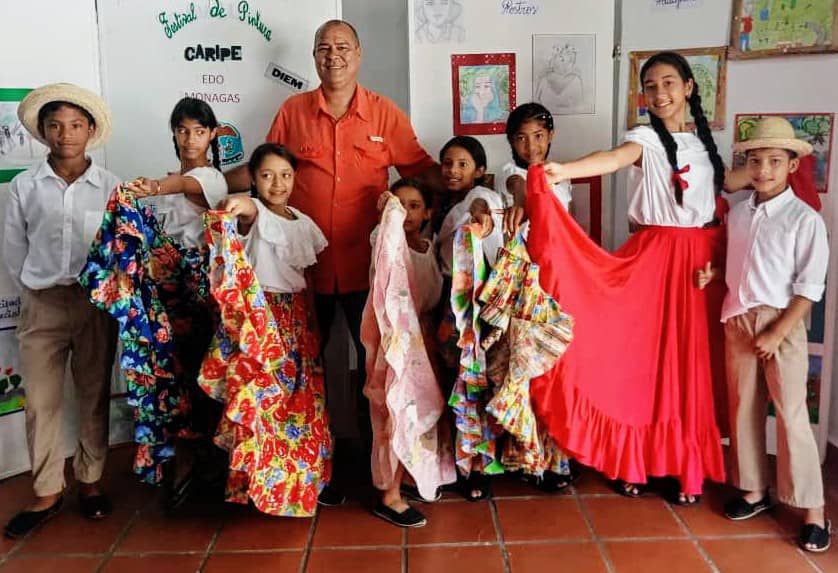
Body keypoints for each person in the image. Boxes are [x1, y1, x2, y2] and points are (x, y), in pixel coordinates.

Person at [507, 51, 737, 504]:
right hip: (655, 260)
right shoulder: (646, 138)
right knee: (642, 364)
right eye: (651, 86)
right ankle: (635, 461)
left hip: (699, 267)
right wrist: (563, 169)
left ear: (689, 88)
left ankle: (680, 466)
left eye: (669, 83)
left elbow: (729, 186)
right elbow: (612, 159)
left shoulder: (707, 147)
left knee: (687, 367)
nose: (660, 93)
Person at [224, 19, 437, 505]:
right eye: (324, 48)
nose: (333, 55)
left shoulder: (383, 113)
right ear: (314, 58)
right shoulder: (293, 111)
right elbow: (263, 170)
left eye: (343, 47)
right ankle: (309, 474)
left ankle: (383, 479)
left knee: (377, 375)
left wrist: (472, 201)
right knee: (303, 376)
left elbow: (422, 172)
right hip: (302, 275)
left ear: (359, 55)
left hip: (369, 272)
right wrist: (203, 183)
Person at [697, 117, 830, 553]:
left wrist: (777, 331)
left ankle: (813, 510)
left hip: (782, 324)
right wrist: (713, 273)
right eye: (755, 161)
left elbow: (809, 288)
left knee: (791, 414)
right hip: (738, 317)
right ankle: (754, 490)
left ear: (792, 165)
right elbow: (743, 262)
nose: (763, 170)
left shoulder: (804, 219)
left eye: (775, 161)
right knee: (743, 409)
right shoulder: (739, 214)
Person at [3, 83, 120, 538]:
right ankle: (47, 490)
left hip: (94, 304)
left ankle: (90, 483)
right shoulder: (24, 186)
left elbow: (117, 248)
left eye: (75, 125)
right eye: (55, 125)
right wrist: (38, 290)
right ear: (43, 132)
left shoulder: (110, 186)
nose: (65, 134)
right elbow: (14, 251)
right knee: (42, 401)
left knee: (93, 395)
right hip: (42, 305)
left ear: (90, 130)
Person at [204, 143, 332, 517]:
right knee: (266, 402)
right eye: (267, 175)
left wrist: (313, 328)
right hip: (262, 322)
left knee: (303, 405)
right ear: (254, 180)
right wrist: (236, 205)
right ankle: (258, 485)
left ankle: (304, 484)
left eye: (285, 175)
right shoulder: (254, 211)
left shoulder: (303, 221)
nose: (277, 183)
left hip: (297, 320)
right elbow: (241, 208)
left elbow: (308, 277)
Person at [124, 97, 228, 506]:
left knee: (205, 374)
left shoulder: (211, 179)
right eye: (182, 130)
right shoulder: (172, 180)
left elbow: (182, 185)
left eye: (198, 131)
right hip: (167, 296)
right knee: (174, 374)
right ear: (173, 133)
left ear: (212, 134)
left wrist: (151, 187)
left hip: (202, 295)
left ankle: (210, 464)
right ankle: (184, 461)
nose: (190, 139)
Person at [363, 178, 452, 528]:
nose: (406, 211)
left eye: (414, 205)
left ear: (428, 212)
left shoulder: (431, 247)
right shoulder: (384, 240)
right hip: (397, 344)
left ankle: (413, 475)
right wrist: (389, 217)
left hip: (427, 342)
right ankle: (389, 493)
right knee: (394, 414)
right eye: (399, 204)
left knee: (423, 415)